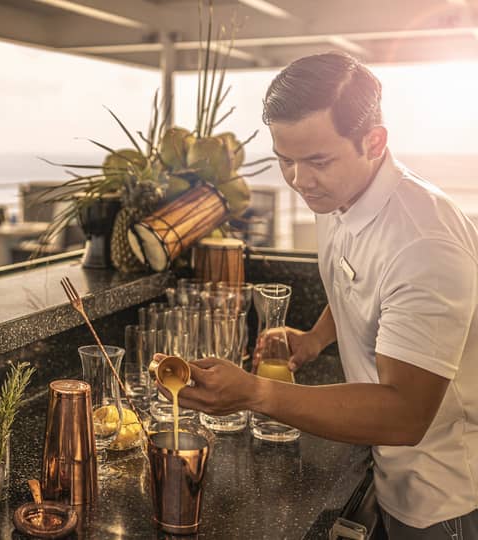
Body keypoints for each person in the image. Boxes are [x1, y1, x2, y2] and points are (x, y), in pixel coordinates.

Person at [171, 52, 478, 538]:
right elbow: (361, 279)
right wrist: (315, 338)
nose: (299, 180)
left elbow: (405, 415)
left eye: (317, 161)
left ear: (374, 141)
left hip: (445, 495)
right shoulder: (338, 192)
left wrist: (255, 393)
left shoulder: (424, 242)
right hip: (391, 467)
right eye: (285, 160)